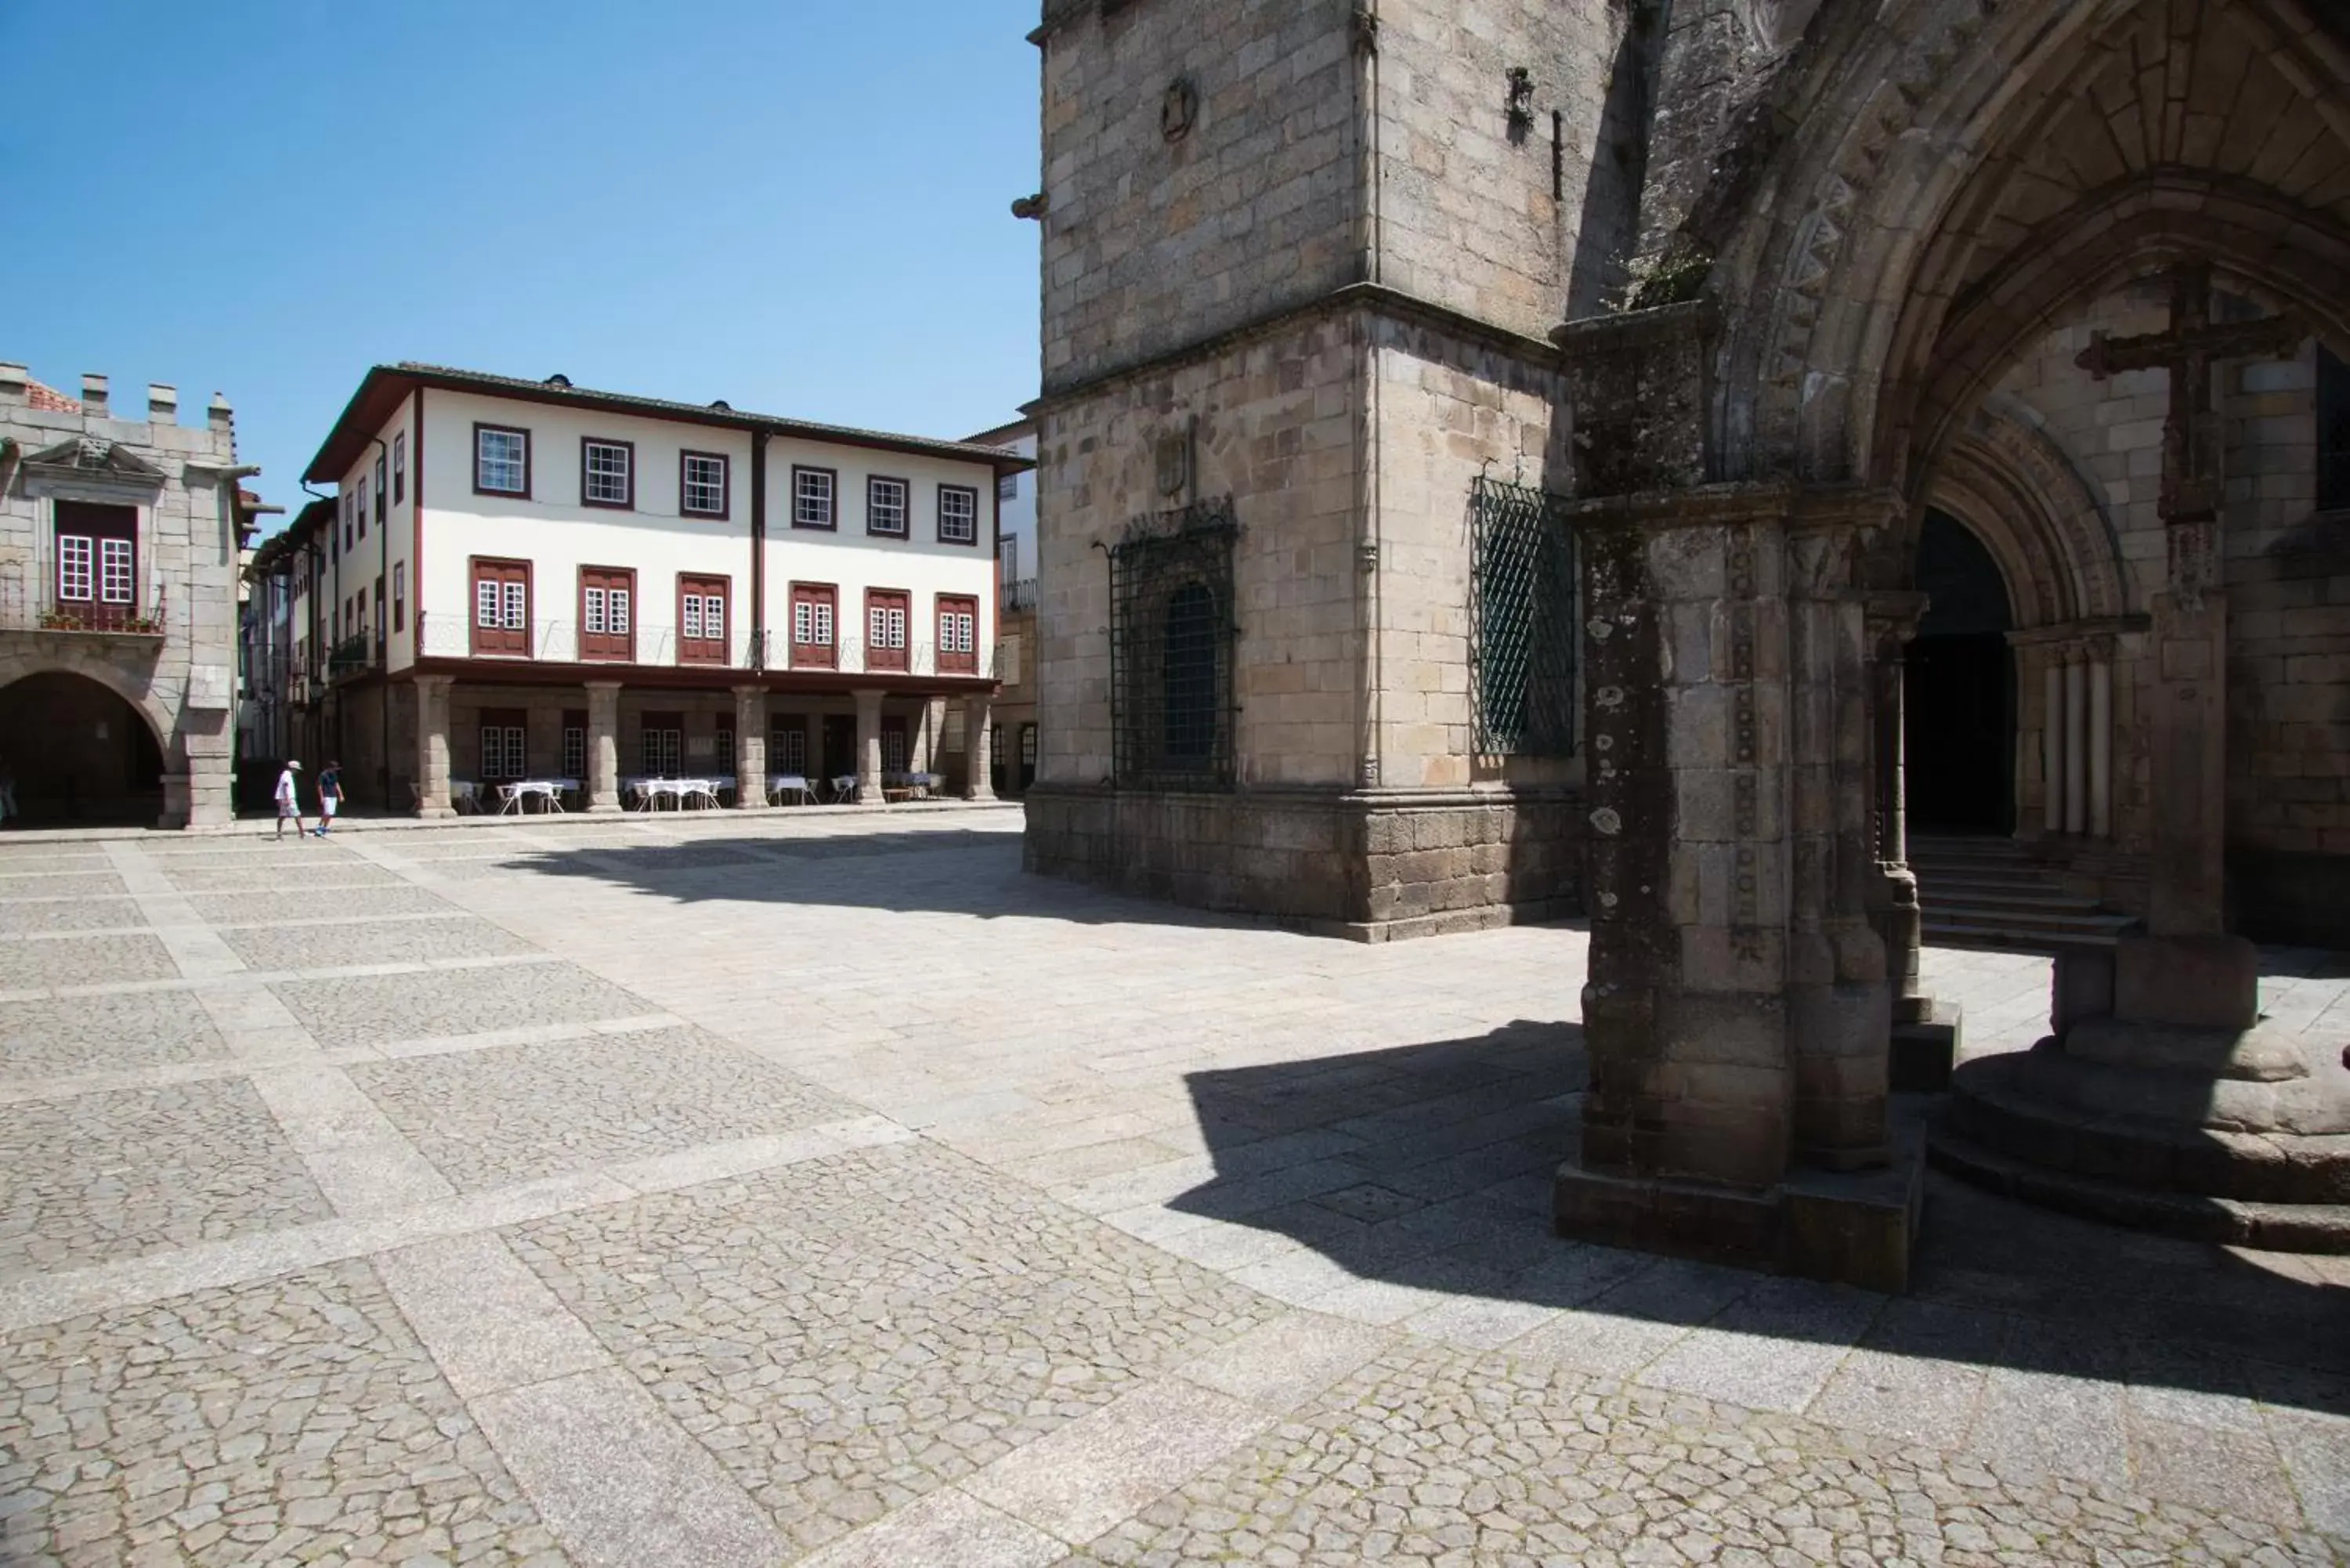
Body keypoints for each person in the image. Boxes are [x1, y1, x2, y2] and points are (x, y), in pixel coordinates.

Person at [273, 759, 309, 840]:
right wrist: (287, 798)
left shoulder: (285, 774)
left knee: (282, 816)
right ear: (293, 769)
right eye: (296, 770)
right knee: (297, 815)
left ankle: (279, 833)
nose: (297, 772)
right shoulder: (287, 775)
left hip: (284, 798)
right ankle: (302, 833)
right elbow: (286, 786)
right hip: (288, 799)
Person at [315, 760, 344, 836]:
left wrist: (340, 795)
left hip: (333, 795)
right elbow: (319, 786)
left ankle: (325, 827)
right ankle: (319, 826)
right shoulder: (323, 775)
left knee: (331, 813)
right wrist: (321, 797)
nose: (335, 770)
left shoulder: (334, 774)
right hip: (326, 795)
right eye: (334, 769)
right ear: (330, 768)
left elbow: (336, 784)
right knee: (327, 813)